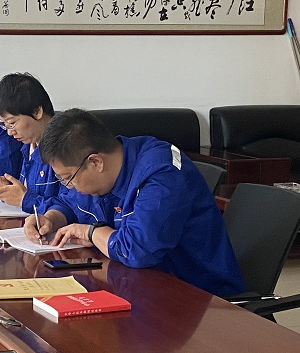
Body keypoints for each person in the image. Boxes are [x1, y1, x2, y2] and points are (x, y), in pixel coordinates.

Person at [24, 108, 245, 296]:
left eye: (67, 178)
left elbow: (137, 250)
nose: (68, 185)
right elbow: (70, 203)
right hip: (139, 287)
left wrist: (91, 232)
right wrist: (50, 219)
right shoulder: (102, 171)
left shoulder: (161, 174)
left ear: (96, 162)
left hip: (200, 298)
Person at [0, 73, 63, 214]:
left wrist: (24, 199)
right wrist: (7, 189)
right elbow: (28, 192)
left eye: (12, 123)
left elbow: (71, 208)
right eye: (4, 125)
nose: (9, 132)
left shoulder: (64, 147)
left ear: (37, 111)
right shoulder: (28, 146)